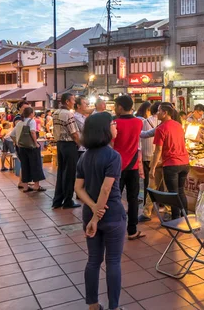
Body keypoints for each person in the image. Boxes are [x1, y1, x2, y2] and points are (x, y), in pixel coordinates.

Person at [74, 112, 126, 310]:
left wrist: (93, 208)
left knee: (93, 260)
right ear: (105, 129)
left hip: (90, 214)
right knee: (113, 261)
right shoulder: (113, 156)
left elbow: (78, 188)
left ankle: (93, 305)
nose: (116, 127)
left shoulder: (84, 157)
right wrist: (97, 215)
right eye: (113, 124)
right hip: (111, 214)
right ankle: (114, 307)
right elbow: (106, 189)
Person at [113, 95, 146, 240]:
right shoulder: (138, 123)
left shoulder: (115, 123)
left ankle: (114, 227)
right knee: (133, 199)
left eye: (115, 106)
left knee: (115, 198)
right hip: (132, 166)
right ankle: (132, 230)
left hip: (117, 167)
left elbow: (112, 145)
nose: (114, 108)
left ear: (120, 107)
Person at [149, 103, 189, 220]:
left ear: (165, 113)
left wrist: (152, 168)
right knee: (181, 191)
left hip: (171, 164)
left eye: (159, 111)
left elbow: (158, 150)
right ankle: (185, 216)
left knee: (173, 193)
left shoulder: (161, 128)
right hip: (185, 163)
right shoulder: (178, 125)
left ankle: (175, 219)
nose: (157, 113)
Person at [52, 93, 81, 209]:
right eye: (73, 100)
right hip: (69, 145)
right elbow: (74, 133)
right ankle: (68, 200)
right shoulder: (68, 114)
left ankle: (57, 200)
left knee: (61, 172)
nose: (74, 102)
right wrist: (79, 144)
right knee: (70, 173)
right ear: (68, 101)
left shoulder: (56, 112)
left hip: (60, 144)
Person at [138, 102, 163, 222]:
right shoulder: (165, 124)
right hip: (161, 158)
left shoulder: (145, 122)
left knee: (149, 183)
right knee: (160, 184)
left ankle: (147, 209)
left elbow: (142, 136)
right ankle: (162, 206)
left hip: (149, 156)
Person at [11, 107, 46, 193]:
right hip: (31, 148)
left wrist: (17, 142)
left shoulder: (19, 123)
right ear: (31, 114)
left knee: (25, 166)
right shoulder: (31, 121)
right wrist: (35, 143)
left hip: (22, 148)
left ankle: (26, 187)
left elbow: (12, 135)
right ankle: (36, 186)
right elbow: (33, 132)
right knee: (36, 165)